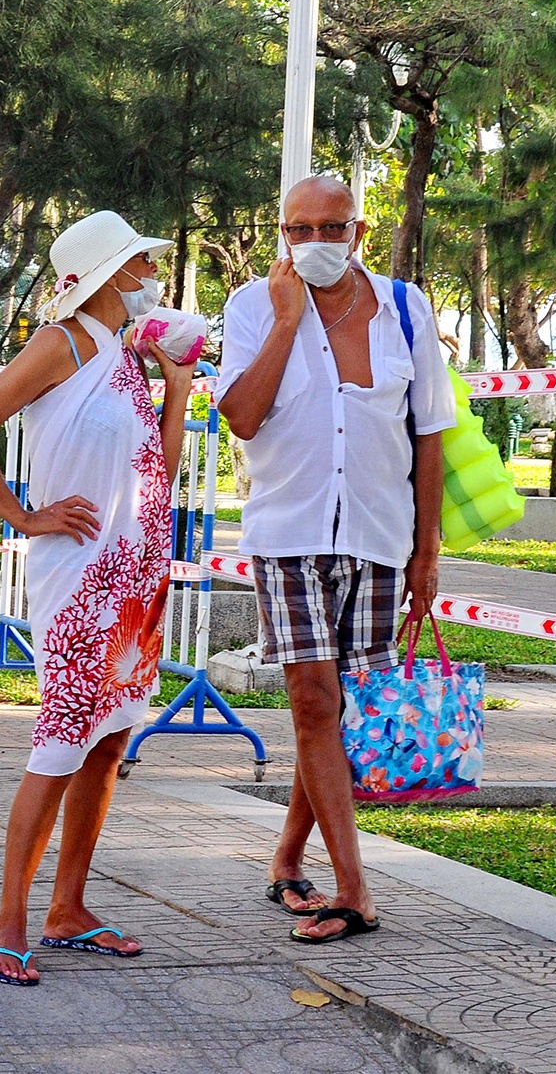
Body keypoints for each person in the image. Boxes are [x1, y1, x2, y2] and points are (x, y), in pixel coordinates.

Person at [0, 210, 196, 986]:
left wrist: (177, 389)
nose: (153, 278)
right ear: (115, 273)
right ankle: (8, 920)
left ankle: (68, 910)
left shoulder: (125, 355)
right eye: (143, 265)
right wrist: (22, 516)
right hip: (82, 578)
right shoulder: (62, 344)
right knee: (59, 746)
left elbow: (156, 468)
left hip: (136, 575)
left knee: (111, 740)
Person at [218, 175, 455, 945]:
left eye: (331, 228)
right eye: (298, 229)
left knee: (339, 714)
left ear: (358, 229)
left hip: (382, 538)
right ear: (281, 232)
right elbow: (244, 418)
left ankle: (287, 858)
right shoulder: (254, 306)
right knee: (315, 701)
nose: (314, 243)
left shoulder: (407, 309)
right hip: (287, 532)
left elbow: (429, 435)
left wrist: (428, 549)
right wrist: (288, 321)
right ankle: (355, 891)